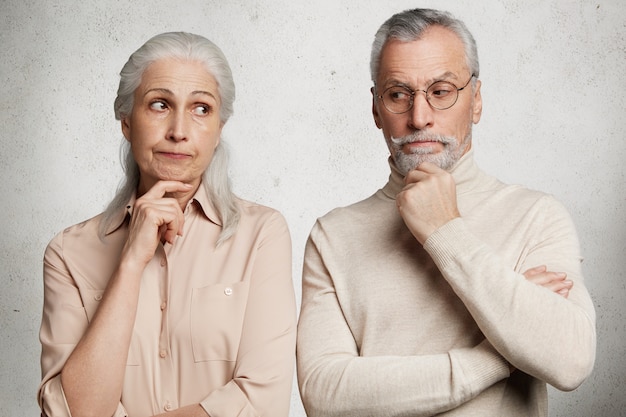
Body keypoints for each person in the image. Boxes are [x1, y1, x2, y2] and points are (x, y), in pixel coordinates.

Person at [296, 8, 596, 417]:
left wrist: (445, 230)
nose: (419, 117)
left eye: (441, 91)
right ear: (375, 108)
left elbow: (570, 359)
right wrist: (500, 356)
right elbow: (325, 396)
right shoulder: (333, 234)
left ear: (476, 101)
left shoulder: (536, 216)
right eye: (398, 94)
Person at [38, 32, 296, 417]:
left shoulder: (262, 235)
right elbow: (70, 411)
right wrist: (129, 264)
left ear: (219, 128)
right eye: (159, 104)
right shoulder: (67, 253)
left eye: (201, 109)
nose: (179, 130)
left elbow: (262, 401)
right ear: (126, 121)